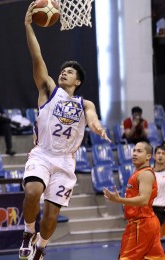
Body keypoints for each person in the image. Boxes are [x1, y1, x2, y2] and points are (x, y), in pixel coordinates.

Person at [19, 4, 112, 260]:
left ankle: (41, 247)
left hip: (65, 162)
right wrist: (28, 26)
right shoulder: (49, 89)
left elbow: (92, 117)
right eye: (63, 70)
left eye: (69, 72)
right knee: (32, 192)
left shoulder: (85, 104)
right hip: (42, 154)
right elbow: (37, 57)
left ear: (78, 81)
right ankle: (28, 232)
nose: (64, 72)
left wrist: (97, 126)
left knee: (51, 215)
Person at [103, 141, 165, 260]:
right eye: (134, 151)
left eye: (139, 151)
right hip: (148, 222)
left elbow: (144, 200)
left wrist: (119, 199)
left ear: (148, 156)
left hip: (141, 224)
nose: (134, 154)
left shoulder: (145, 174)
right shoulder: (140, 172)